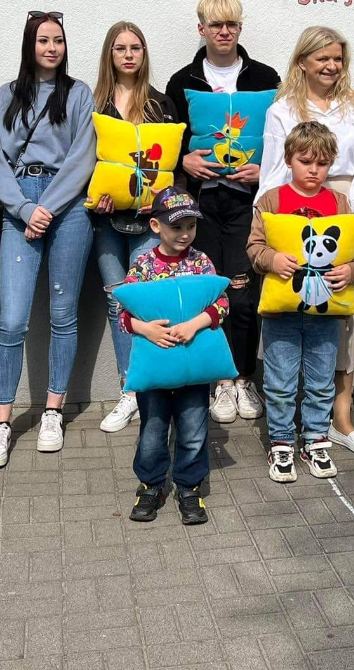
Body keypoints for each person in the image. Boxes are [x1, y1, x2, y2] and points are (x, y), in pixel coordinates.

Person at [259, 26, 354, 458]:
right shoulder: (282, 109)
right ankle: (290, 422)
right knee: (295, 309)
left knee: (344, 322)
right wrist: (277, 232)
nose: (332, 66)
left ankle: (340, 419)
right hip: (294, 219)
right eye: (323, 58)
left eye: (337, 58)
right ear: (302, 62)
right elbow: (273, 172)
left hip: (345, 213)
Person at [0, 12, 96, 467]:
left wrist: (46, 207)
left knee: (63, 314)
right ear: (30, 44)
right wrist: (26, 209)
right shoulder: (7, 95)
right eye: (44, 40)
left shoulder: (79, 93)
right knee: (12, 320)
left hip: (68, 205)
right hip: (20, 205)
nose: (52, 48)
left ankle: (53, 412)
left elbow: (83, 155)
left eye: (58, 41)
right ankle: (0, 422)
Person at [164, 0, 278, 425]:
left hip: (248, 202)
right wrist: (184, 162)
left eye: (231, 24)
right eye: (216, 25)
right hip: (203, 203)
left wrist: (264, 169)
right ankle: (219, 383)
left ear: (240, 28)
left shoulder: (265, 78)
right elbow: (170, 142)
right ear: (202, 29)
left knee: (244, 294)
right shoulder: (183, 80)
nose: (224, 32)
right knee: (209, 291)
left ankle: (243, 377)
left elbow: (282, 140)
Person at [248, 123, 354, 482]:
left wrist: (351, 270)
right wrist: (272, 259)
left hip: (327, 314)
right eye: (305, 161)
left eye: (322, 163)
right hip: (281, 312)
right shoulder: (271, 200)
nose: (314, 170)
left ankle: (315, 438)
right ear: (288, 160)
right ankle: (281, 442)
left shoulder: (339, 203)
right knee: (280, 382)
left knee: (321, 382)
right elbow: (254, 247)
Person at [117, 188, 228, 525]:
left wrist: (195, 324)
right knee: (153, 428)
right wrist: (146, 329)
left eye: (191, 226)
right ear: (155, 226)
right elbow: (123, 312)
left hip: (195, 367)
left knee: (194, 427)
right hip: (156, 367)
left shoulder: (201, 262)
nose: (185, 234)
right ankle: (151, 485)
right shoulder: (143, 265)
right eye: (176, 227)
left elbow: (222, 303)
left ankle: (189, 487)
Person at [90, 21, 180, 433]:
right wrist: (99, 196)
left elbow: (174, 166)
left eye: (136, 48)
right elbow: (86, 161)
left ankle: (150, 390)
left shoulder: (161, 105)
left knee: (144, 301)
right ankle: (129, 390)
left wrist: (160, 198)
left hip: (149, 223)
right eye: (120, 48)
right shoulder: (94, 104)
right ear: (109, 55)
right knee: (117, 302)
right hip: (106, 220)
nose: (128, 55)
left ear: (144, 54)